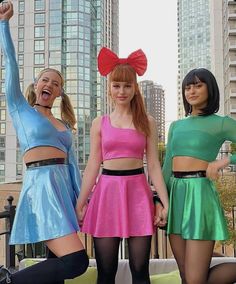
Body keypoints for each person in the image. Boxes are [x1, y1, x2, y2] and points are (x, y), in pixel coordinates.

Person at [0, 2, 89, 284]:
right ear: (36, 85)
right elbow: (11, 63)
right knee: (76, 262)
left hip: (63, 192)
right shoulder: (20, 109)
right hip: (41, 188)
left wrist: (80, 204)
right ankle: (9, 280)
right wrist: (3, 24)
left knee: (58, 267)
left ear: (60, 92)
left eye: (56, 83)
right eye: (45, 79)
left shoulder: (64, 125)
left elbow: (74, 167)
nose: (49, 84)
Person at [76, 46, 169, 284]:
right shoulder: (100, 122)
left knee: (140, 271)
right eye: (116, 85)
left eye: (127, 85)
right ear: (109, 88)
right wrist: (80, 204)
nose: (122, 90)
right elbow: (93, 166)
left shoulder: (146, 121)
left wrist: (165, 204)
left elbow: (155, 166)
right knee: (106, 272)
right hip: (106, 194)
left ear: (135, 88)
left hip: (138, 193)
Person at [162, 67, 236, 284]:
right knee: (187, 277)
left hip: (200, 195)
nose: (191, 91)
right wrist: (160, 202)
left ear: (209, 88)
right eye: (188, 87)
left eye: (198, 85)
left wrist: (225, 161)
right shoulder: (176, 126)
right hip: (175, 196)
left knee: (194, 280)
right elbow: (167, 167)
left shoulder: (221, 123)